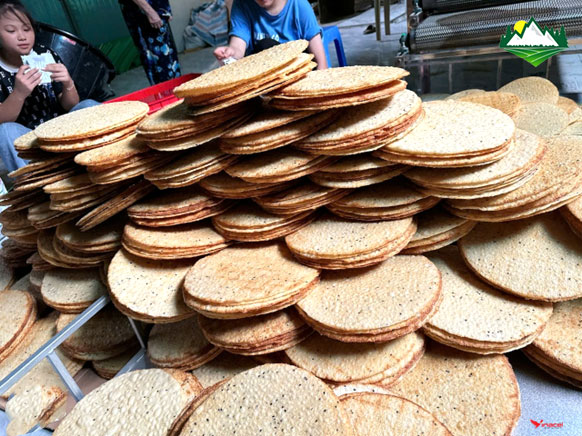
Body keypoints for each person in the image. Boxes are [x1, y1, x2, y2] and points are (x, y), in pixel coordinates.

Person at [0, 0, 98, 172]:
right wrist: (19, 94)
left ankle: (102, 162)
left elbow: (70, 105)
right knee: (5, 131)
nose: (22, 36)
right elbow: (2, 120)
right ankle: (34, 181)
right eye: (11, 31)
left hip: (62, 131)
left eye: (26, 29)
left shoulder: (45, 54)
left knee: (89, 105)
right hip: (30, 143)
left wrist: (67, 83)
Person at [214, 0, 328, 69]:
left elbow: (321, 62)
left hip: (299, 73)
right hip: (263, 76)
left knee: (266, 44)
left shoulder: (299, 5)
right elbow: (238, 45)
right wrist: (230, 54)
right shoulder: (242, 4)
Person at [119, 0, 181, 85]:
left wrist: (165, 10)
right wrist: (150, 12)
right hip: (144, 16)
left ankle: (174, 90)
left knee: (169, 61)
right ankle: (166, 91)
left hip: (156, 13)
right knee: (158, 65)